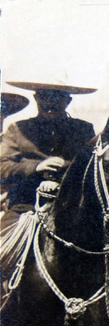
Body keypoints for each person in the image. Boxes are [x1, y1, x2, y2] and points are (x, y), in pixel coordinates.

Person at [0, 80, 96, 230]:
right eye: (45, 97)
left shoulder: (83, 130)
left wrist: (62, 174)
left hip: (72, 207)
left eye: (57, 98)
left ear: (68, 101)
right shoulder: (18, 129)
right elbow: (2, 167)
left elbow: (91, 167)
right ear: (36, 98)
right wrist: (36, 167)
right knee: (3, 246)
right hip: (25, 208)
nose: (50, 104)